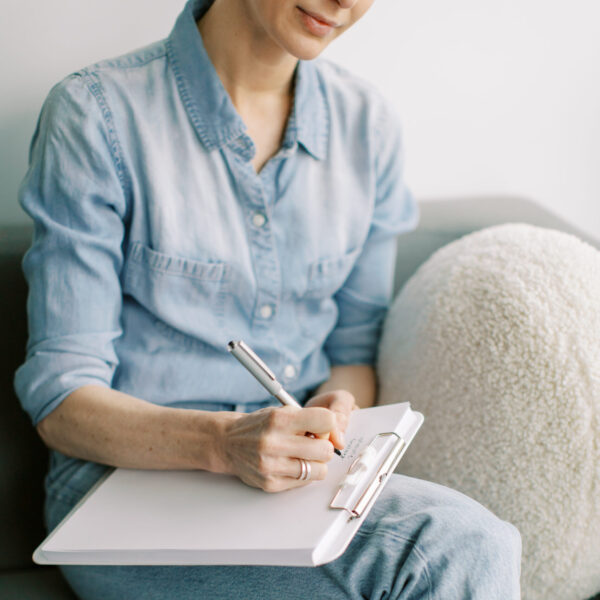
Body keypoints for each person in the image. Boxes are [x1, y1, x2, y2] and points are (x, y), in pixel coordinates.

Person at [15, 0, 522, 598]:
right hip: (119, 486)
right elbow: (62, 401)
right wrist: (223, 445)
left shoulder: (369, 126)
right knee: (454, 545)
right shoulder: (95, 114)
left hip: (295, 484)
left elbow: (354, 351)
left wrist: (336, 415)